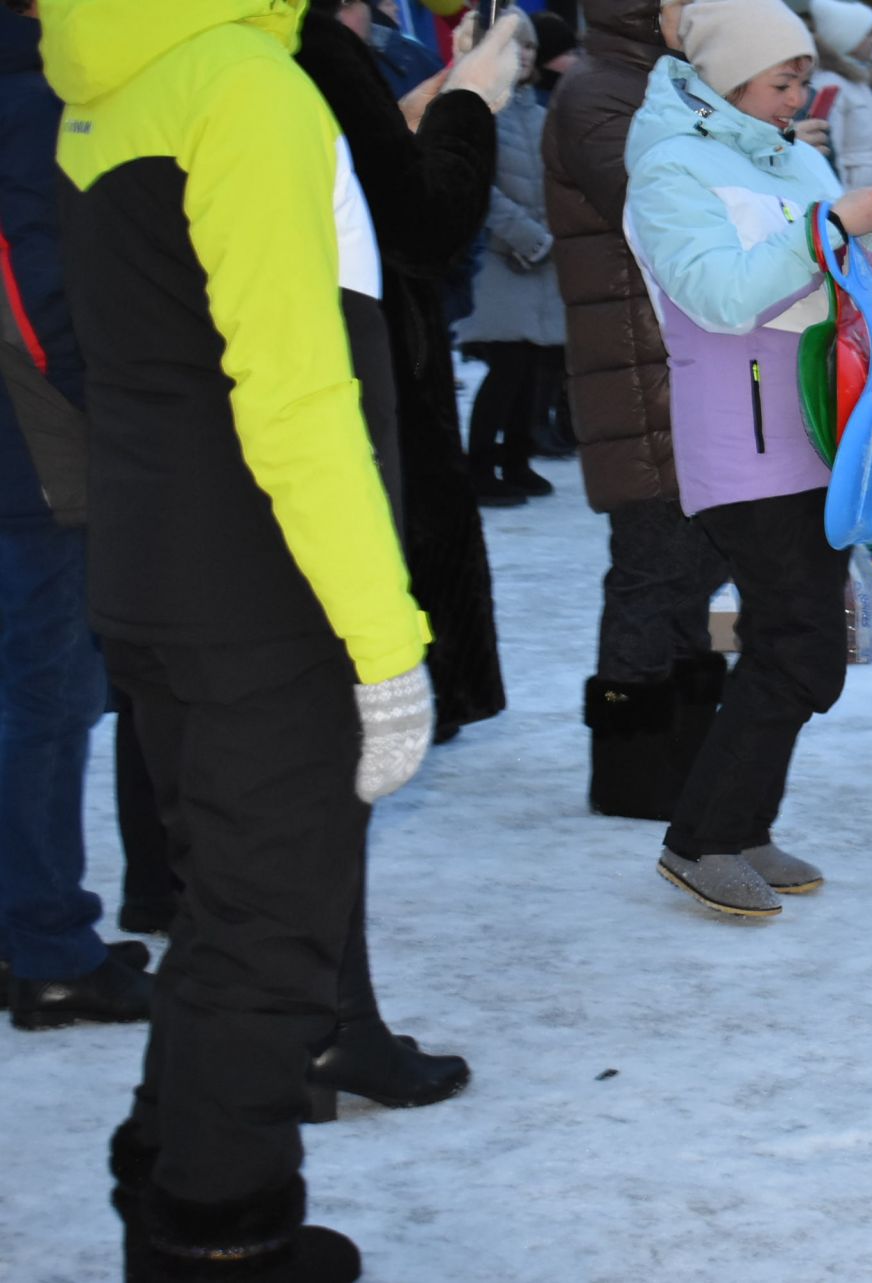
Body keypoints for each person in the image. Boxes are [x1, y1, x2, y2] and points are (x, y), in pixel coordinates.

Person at [41, 0, 472, 1268]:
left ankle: (171, 1184)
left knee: (226, 914)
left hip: (154, 565)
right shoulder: (244, 86)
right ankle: (219, 1239)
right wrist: (387, 643)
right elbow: (293, 392)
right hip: (268, 586)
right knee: (275, 938)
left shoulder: (109, 81)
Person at [623, 0, 872, 917]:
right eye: (784, 77)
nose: (801, 91)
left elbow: (856, 286)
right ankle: (701, 838)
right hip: (741, 442)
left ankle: (740, 825)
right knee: (798, 642)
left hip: (820, 430)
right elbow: (715, 296)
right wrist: (829, 224)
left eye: (800, 76)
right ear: (728, 74)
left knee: (804, 643)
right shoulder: (669, 167)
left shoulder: (793, 155)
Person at [296, 0, 513, 1123]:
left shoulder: (286, 62)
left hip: (230, 464)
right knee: (317, 767)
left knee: (263, 782)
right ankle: (323, 1028)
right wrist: (473, 95)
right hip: (325, 439)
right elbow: (417, 221)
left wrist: (422, 106)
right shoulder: (304, 57)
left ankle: (325, 1022)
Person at [0, 0, 152, 1031]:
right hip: (36, 448)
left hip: (30, 440)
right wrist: (123, 406)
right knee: (44, 702)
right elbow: (37, 283)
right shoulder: (29, 91)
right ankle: (51, 945)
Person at [543, 0, 733, 824]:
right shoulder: (597, 93)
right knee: (652, 568)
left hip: (679, 359)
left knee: (693, 563)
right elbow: (659, 206)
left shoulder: (668, 85)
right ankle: (631, 773)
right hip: (634, 366)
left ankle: (686, 751)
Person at [457, 14, 566, 503]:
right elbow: (478, 188)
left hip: (542, 262)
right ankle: (479, 466)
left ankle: (517, 460)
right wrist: (525, 237)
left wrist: (550, 238)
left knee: (535, 366)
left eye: (529, 47)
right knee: (507, 367)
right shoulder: (476, 110)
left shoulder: (542, 115)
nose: (523, 54)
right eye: (514, 45)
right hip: (499, 262)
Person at [810, 0, 872, 191]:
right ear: (849, 39)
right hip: (851, 196)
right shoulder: (830, 84)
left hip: (870, 195)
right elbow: (828, 148)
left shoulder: (858, 81)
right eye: (869, 34)